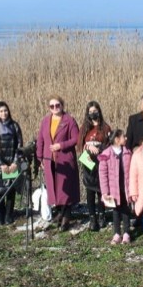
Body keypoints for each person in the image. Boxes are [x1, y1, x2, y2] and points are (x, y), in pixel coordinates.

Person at [36, 95, 80, 230]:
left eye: (57, 105)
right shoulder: (45, 121)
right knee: (55, 188)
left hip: (65, 159)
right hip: (50, 160)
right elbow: (41, 140)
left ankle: (66, 216)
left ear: (62, 105)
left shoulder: (69, 121)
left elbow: (76, 139)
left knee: (65, 190)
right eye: (52, 106)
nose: (55, 108)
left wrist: (61, 145)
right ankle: (60, 212)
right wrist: (39, 158)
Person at [76, 101, 112, 231]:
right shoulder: (84, 128)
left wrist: (99, 147)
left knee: (101, 189)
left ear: (99, 111)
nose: (93, 113)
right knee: (90, 190)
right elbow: (79, 145)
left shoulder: (106, 127)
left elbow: (110, 144)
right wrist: (88, 146)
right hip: (87, 161)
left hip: (101, 161)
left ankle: (102, 215)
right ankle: (92, 218)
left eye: (95, 111)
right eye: (90, 112)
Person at [0, 101, 24, 225]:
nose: (4, 113)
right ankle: (1, 215)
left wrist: (14, 162)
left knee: (10, 190)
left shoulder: (15, 126)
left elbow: (19, 145)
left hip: (12, 163)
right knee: (0, 190)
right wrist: (1, 164)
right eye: (1, 111)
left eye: (6, 110)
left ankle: (9, 215)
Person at [98, 130, 133, 244]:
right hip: (113, 189)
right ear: (117, 139)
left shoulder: (128, 153)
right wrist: (105, 191)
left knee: (126, 209)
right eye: (124, 137)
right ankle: (117, 233)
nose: (126, 138)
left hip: (125, 187)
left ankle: (127, 232)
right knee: (116, 211)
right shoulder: (106, 154)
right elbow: (103, 174)